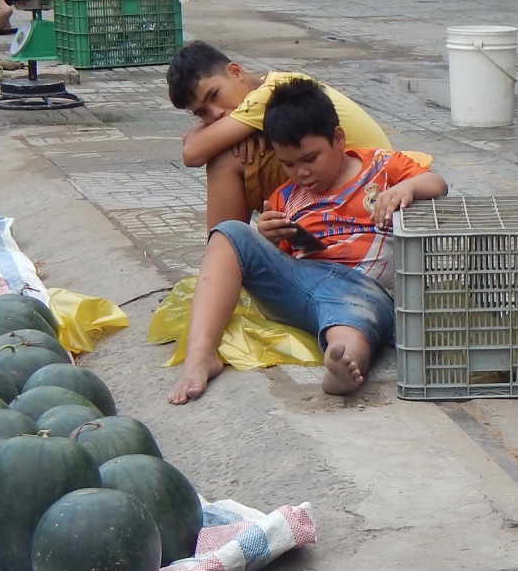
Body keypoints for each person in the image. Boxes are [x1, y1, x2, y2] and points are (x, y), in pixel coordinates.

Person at [168, 78, 447, 403]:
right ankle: (200, 356)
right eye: (288, 164)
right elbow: (284, 264)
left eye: (310, 158)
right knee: (229, 233)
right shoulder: (286, 196)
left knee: (349, 325)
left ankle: (343, 364)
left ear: (338, 139)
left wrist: (406, 189)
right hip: (302, 283)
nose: (301, 173)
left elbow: (436, 183)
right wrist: (269, 238)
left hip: (363, 290)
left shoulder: (383, 167)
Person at [166, 39, 396, 231]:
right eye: (202, 113)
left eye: (214, 95)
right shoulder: (269, 89)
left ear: (235, 72)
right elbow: (191, 142)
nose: (216, 113)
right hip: (357, 176)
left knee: (225, 158)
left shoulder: (269, 95)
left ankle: (223, 256)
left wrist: (222, 134)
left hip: (370, 185)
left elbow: (192, 153)